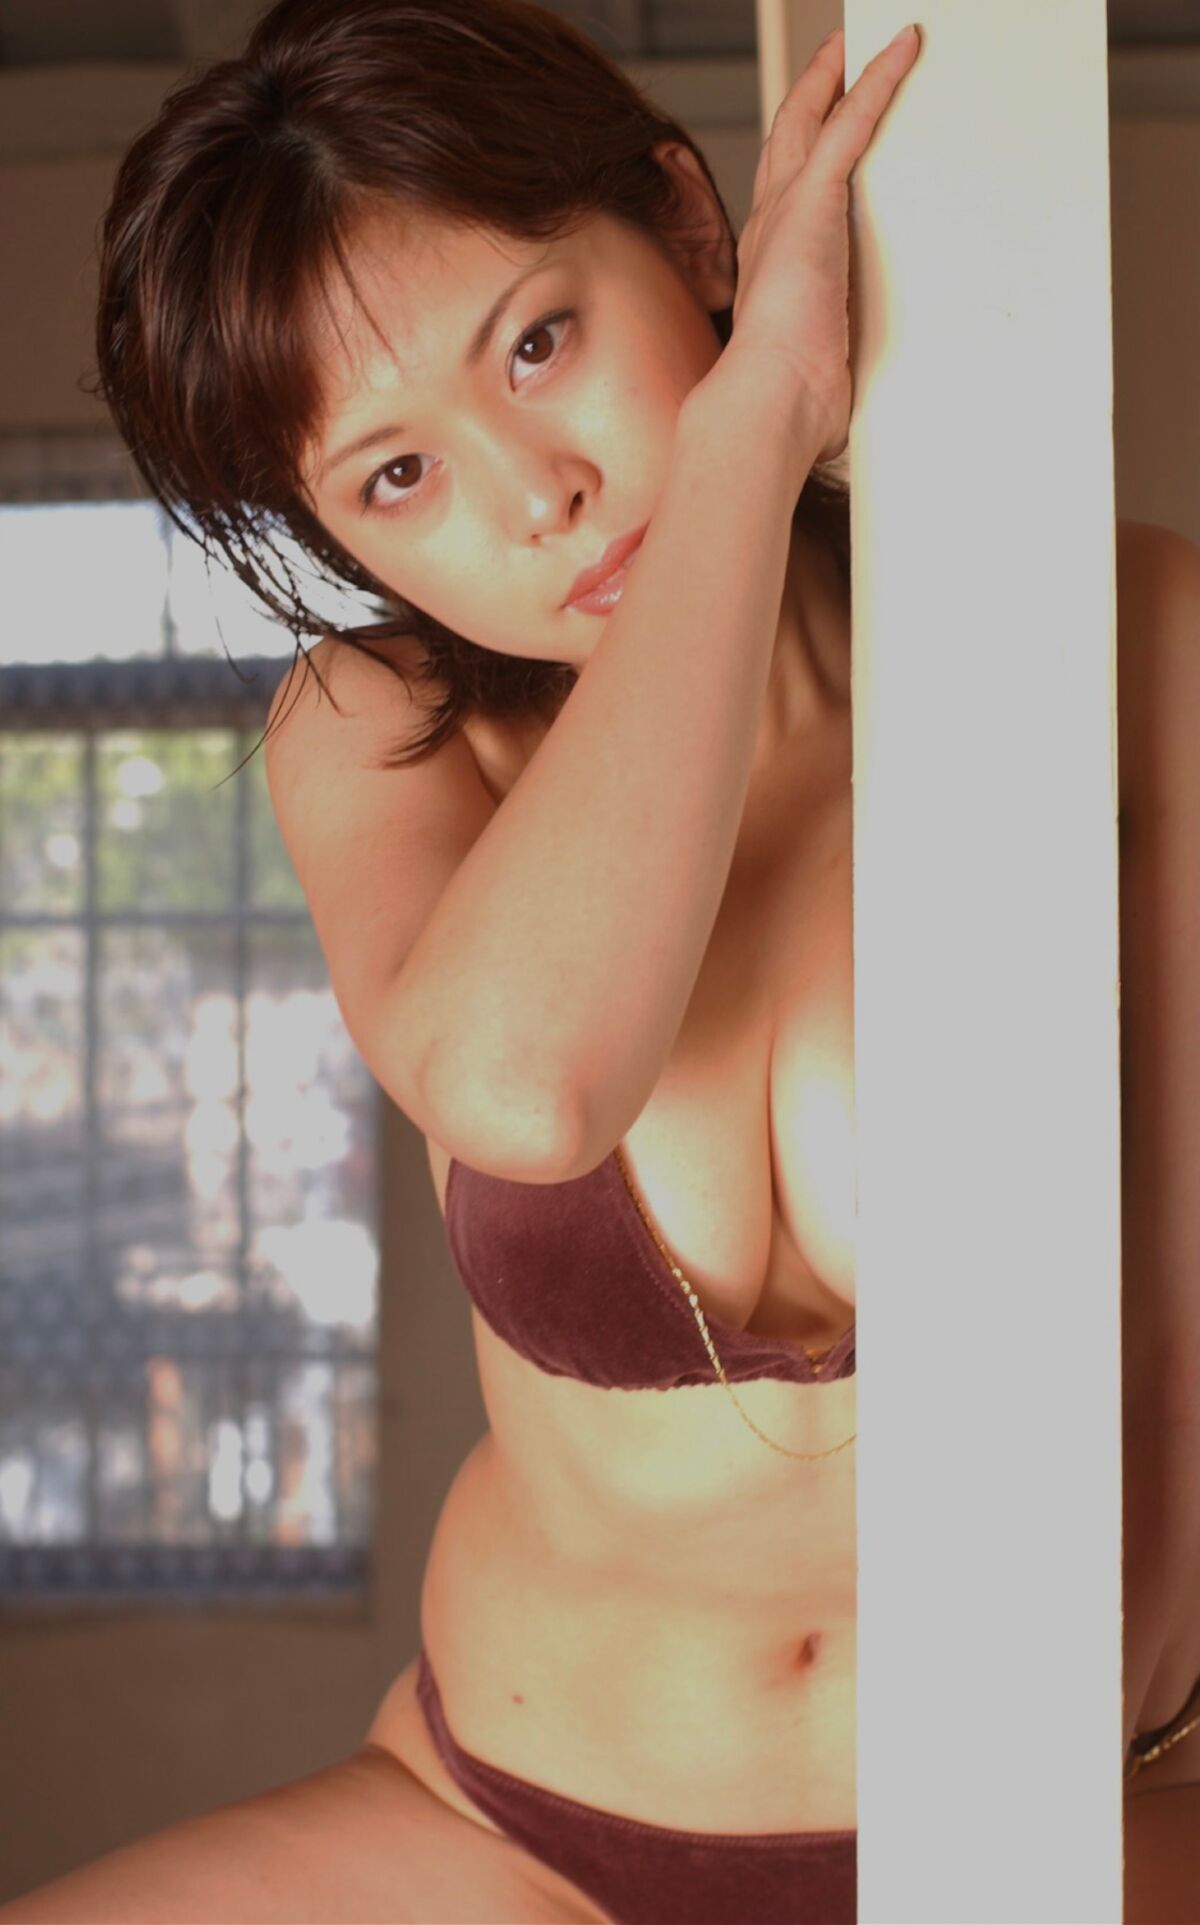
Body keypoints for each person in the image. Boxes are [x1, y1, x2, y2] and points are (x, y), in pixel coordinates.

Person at [4, 2, 1198, 1921]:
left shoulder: (1129, 642)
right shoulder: (383, 732)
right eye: (397, 477)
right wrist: (748, 428)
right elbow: (528, 1084)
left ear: (693, 231)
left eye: (538, 342)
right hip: (513, 1831)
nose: (534, 490)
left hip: (1071, 1826)